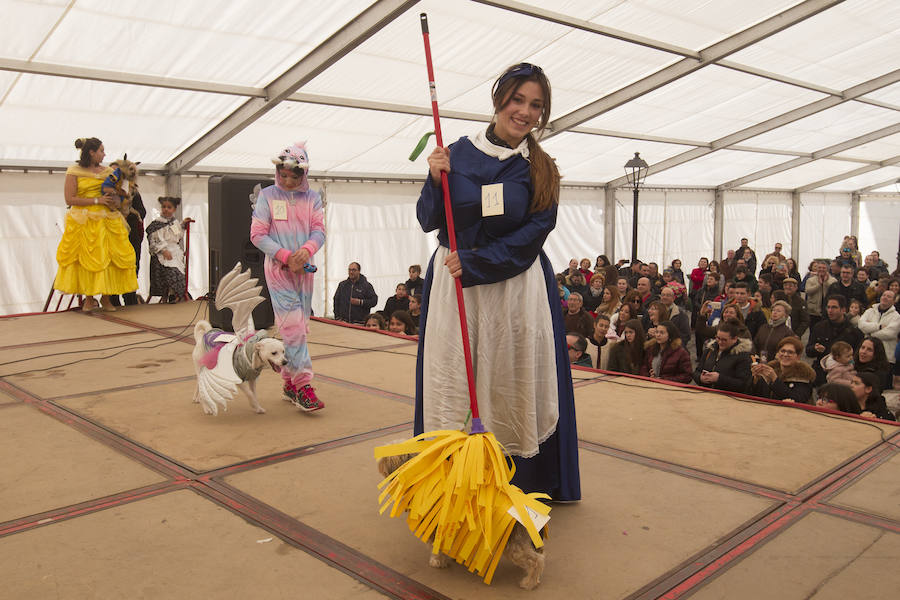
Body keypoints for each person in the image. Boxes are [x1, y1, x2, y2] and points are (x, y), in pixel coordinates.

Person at [416, 62, 579, 501]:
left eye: (536, 105)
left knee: (512, 382)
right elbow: (430, 219)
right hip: (455, 288)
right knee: (454, 379)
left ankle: (519, 485)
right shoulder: (455, 153)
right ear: (499, 100)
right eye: (517, 100)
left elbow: (535, 232)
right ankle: (454, 481)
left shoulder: (542, 169)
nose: (525, 112)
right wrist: (434, 180)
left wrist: (479, 261)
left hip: (516, 289)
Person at [250, 142, 326, 411]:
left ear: (304, 174)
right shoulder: (267, 196)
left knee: (298, 328)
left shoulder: (313, 198)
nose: (288, 180)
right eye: (283, 174)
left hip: (304, 274)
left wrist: (305, 252)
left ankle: (288, 383)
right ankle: (304, 386)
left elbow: (319, 232)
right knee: (293, 328)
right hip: (279, 273)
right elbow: (258, 234)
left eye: (295, 175)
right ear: (277, 171)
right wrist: (285, 256)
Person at [54, 137, 137, 312]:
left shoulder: (108, 171)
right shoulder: (74, 171)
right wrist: (97, 199)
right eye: (101, 150)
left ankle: (106, 298)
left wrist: (117, 199)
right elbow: (69, 198)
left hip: (107, 218)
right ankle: (88, 298)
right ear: (91, 152)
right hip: (83, 219)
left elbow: (116, 190)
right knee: (85, 258)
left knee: (107, 258)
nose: (104, 154)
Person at [806, 295, 864, 386]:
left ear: (843, 310)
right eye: (828, 307)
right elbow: (808, 351)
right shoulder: (819, 327)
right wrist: (815, 348)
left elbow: (858, 357)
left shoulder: (854, 332)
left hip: (844, 378)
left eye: (834, 307)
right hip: (821, 375)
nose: (830, 310)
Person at [146, 196, 190, 303]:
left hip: (174, 251)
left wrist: (183, 225)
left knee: (178, 270)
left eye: (169, 207)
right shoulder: (156, 223)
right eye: (164, 207)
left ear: (174, 209)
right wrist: (163, 250)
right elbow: (154, 240)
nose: (166, 209)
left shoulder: (175, 222)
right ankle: (166, 295)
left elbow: (178, 235)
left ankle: (175, 295)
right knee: (168, 271)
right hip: (162, 252)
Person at [750, 336, 816, 404]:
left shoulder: (804, 377)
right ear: (778, 353)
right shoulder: (769, 370)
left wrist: (775, 380)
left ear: (798, 356)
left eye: (790, 352)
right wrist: (756, 379)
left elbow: (797, 399)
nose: (785, 354)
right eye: (782, 351)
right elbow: (756, 395)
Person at [693, 319, 753, 393]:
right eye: (718, 338)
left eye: (724, 340)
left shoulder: (743, 356)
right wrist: (700, 378)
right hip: (706, 395)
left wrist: (719, 379)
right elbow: (697, 371)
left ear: (734, 339)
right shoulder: (710, 349)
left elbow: (744, 385)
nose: (720, 342)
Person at [858, 290, 899, 369]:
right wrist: (878, 327)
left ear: (894, 301)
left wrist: (870, 334)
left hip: (886, 358)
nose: (885, 298)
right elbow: (861, 325)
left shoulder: (896, 317)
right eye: (884, 295)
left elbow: (890, 333)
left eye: (889, 296)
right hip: (867, 357)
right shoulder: (870, 311)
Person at [805, 260, 837, 329]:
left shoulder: (833, 280)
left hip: (827, 311)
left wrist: (826, 282)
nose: (821, 269)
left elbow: (834, 290)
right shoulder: (810, 280)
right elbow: (808, 291)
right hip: (813, 311)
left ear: (827, 269)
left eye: (823, 268)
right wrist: (819, 285)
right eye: (819, 268)